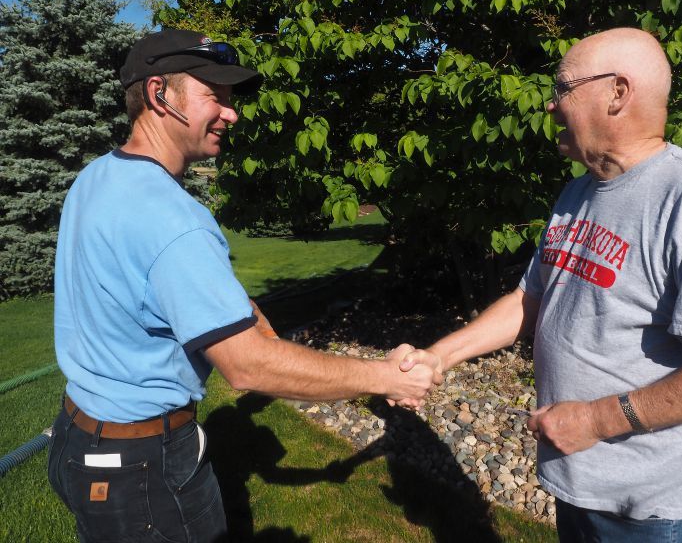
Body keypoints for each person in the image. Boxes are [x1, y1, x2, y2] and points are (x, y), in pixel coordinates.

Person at [47, 28, 441, 543]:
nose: (231, 114)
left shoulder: (99, 177)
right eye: (215, 95)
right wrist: (387, 378)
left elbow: (165, 291)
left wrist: (253, 320)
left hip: (79, 440)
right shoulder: (172, 219)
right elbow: (248, 367)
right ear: (159, 95)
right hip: (141, 473)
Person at [399, 27, 682, 542]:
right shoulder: (579, 192)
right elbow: (530, 299)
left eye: (563, 88)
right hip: (580, 480)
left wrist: (596, 422)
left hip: (652, 510)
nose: (552, 105)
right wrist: (438, 356)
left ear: (617, 93)